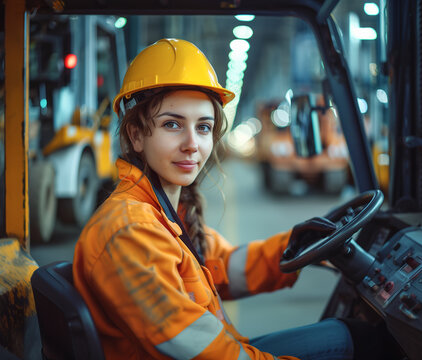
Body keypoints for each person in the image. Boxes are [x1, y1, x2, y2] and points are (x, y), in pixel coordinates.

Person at [73, 38, 355, 360]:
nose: (192, 144)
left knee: (343, 334)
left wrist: (298, 246)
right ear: (136, 134)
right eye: (172, 124)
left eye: (203, 127)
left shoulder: (164, 214)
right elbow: (201, 351)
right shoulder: (131, 232)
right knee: (355, 341)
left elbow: (226, 266)